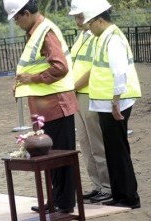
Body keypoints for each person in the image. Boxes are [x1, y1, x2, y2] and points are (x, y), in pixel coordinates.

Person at [3, 0, 79, 213]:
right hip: (44, 107)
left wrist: (32, 79)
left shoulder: (46, 32)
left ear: (25, 13)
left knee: (60, 156)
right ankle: (56, 200)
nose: (16, 23)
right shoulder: (35, 33)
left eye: (16, 18)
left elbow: (60, 67)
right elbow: (33, 66)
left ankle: (64, 203)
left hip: (57, 105)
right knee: (50, 157)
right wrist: (22, 82)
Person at [82, 0, 141, 209]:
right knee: (113, 150)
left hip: (115, 104)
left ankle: (127, 197)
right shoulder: (104, 37)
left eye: (90, 23)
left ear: (99, 19)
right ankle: (120, 194)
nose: (88, 27)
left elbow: (119, 73)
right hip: (107, 104)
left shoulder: (112, 39)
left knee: (118, 151)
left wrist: (115, 103)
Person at [68, 0, 111, 203]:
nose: (77, 21)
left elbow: (93, 68)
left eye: (80, 16)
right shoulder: (82, 36)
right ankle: (97, 185)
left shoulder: (98, 37)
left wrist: (74, 86)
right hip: (77, 95)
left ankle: (108, 186)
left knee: (97, 142)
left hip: (89, 94)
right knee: (85, 143)